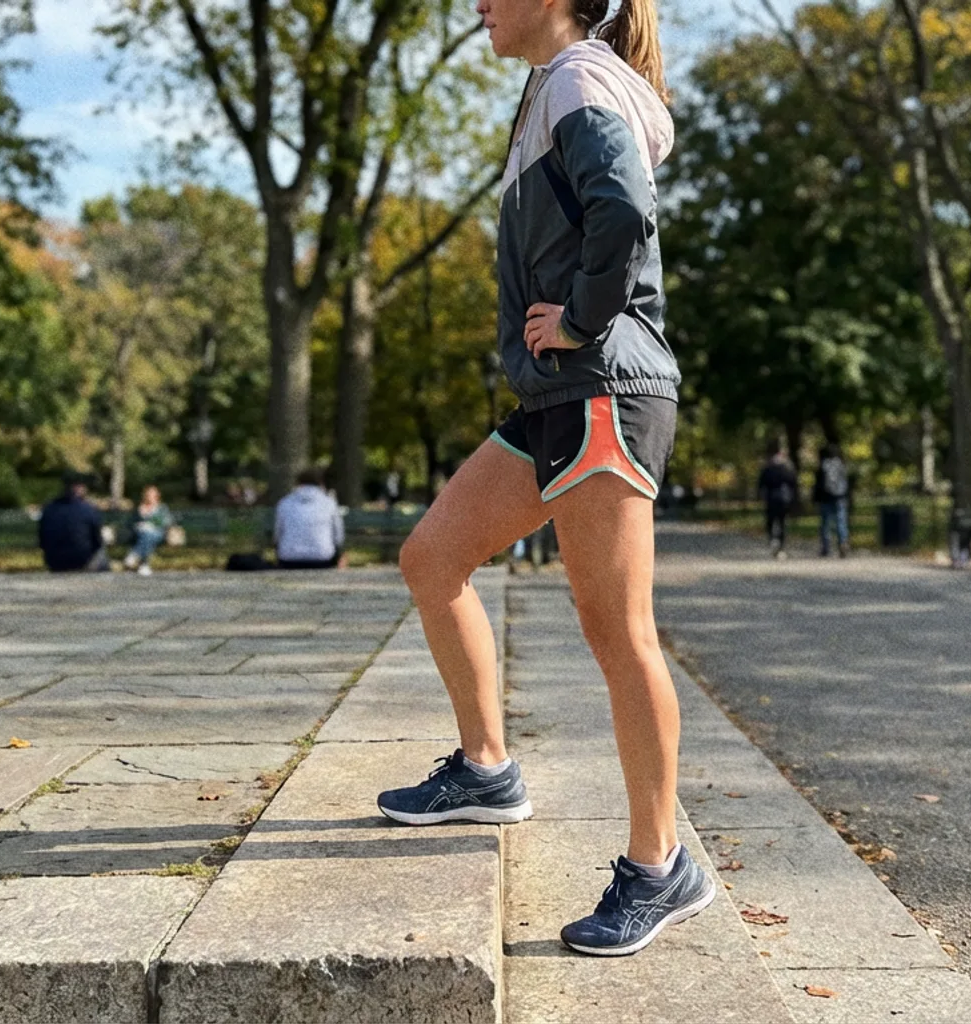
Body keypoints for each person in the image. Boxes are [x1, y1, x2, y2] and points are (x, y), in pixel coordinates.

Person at [375, 0, 711, 958]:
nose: (475, 3)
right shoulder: (548, 86)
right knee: (432, 557)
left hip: (602, 386)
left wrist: (581, 319)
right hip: (557, 398)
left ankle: (660, 866)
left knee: (620, 637)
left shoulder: (575, 77)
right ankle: (486, 769)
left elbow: (623, 214)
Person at [273, 468, 345, 570]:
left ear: (298, 483)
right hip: (322, 558)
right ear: (321, 483)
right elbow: (338, 536)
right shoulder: (329, 503)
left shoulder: (285, 502)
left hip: (289, 559)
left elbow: (277, 534)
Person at [38, 473, 109, 573]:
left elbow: (42, 540)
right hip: (81, 561)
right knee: (102, 553)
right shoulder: (88, 509)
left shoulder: (48, 508)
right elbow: (97, 541)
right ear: (80, 488)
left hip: (54, 561)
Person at [123, 486, 174, 576]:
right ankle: (144, 565)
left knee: (149, 535)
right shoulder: (139, 508)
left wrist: (152, 523)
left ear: (157, 496)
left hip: (158, 533)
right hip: (139, 533)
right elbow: (129, 522)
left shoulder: (162, 508)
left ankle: (135, 555)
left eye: (152, 494)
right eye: (148, 495)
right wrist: (138, 523)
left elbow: (167, 522)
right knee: (146, 535)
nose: (150, 497)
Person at [756, 447, 797, 559]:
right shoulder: (788, 468)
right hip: (784, 499)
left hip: (771, 498)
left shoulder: (768, 468)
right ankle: (781, 543)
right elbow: (793, 483)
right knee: (782, 522)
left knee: (770, 520)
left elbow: (761, 483)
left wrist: (760, 496)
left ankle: (772, 539)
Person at [813, 443, 850, 558]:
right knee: (841, 521)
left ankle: (826, 547)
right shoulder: (841, 465)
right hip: (840, 497)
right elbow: (846, 483)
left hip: (825, 498)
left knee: (825, 523)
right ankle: (843, 542)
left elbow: (818, 485)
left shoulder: (823, 466)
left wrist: (815, 498)